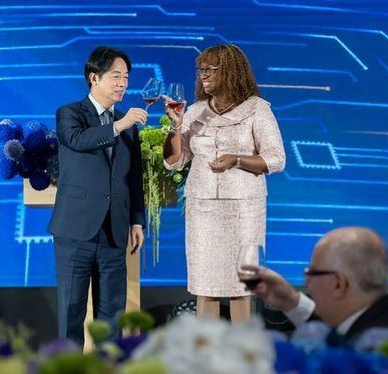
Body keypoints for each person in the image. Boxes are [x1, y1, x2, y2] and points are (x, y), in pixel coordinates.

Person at [163, 44, 285, 322]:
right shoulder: (195, 112)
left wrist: (236, 159)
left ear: (230, 72)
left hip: (244, 209)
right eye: (200, 70)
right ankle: (208, 354)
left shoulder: (257, 110)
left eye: (209, 69)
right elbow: (174, 161)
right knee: (206, 284)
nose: (203, 75)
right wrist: (174, 126)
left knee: (241, 286)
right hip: (203, 208)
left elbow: (276, 159)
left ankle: (241, 354)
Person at [48, 46, 146, 347]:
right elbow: (77, 140)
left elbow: (134, 178)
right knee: (71, 310)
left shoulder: (127, 126)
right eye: (116, 76)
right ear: (94, 77)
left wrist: (137, 221)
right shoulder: (70, 113)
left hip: (114, 232)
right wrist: (118, 125)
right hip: (76, 230)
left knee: (112, 314)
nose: (123, 84)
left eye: (126, 77)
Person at [244, 227, 388, 342]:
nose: (306, 282)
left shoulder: (375, 350)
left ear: (339, 284)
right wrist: (291, 301)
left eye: (312, 273)